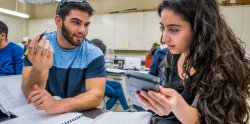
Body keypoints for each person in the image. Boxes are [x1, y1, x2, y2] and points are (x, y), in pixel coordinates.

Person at [136, 0, 250, 124]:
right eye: (163, 28)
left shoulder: (219, 66)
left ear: (199, 28)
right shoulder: (171, 57)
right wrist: (157, 102)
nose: (164, 38)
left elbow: (210, 119)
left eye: (173, 29)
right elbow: (168, 112)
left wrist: (177, 104)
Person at [21, 0, 106, 114]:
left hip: (78, 116)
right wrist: (38, 68)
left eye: (86, 24)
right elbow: (29, 92)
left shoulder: (94, 54)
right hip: (42, 115)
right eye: (76, 22)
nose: (83, 31)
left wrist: (57, 105)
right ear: (58, 21)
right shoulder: (38, 48)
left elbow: (96, 96)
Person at [91, 39, 131, 112]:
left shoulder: (94, 58)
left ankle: (126, 109)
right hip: (96, 83)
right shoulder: (93, 59)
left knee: (118, 85)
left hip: (100, 81)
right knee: (114, 94)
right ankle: (105, 111)